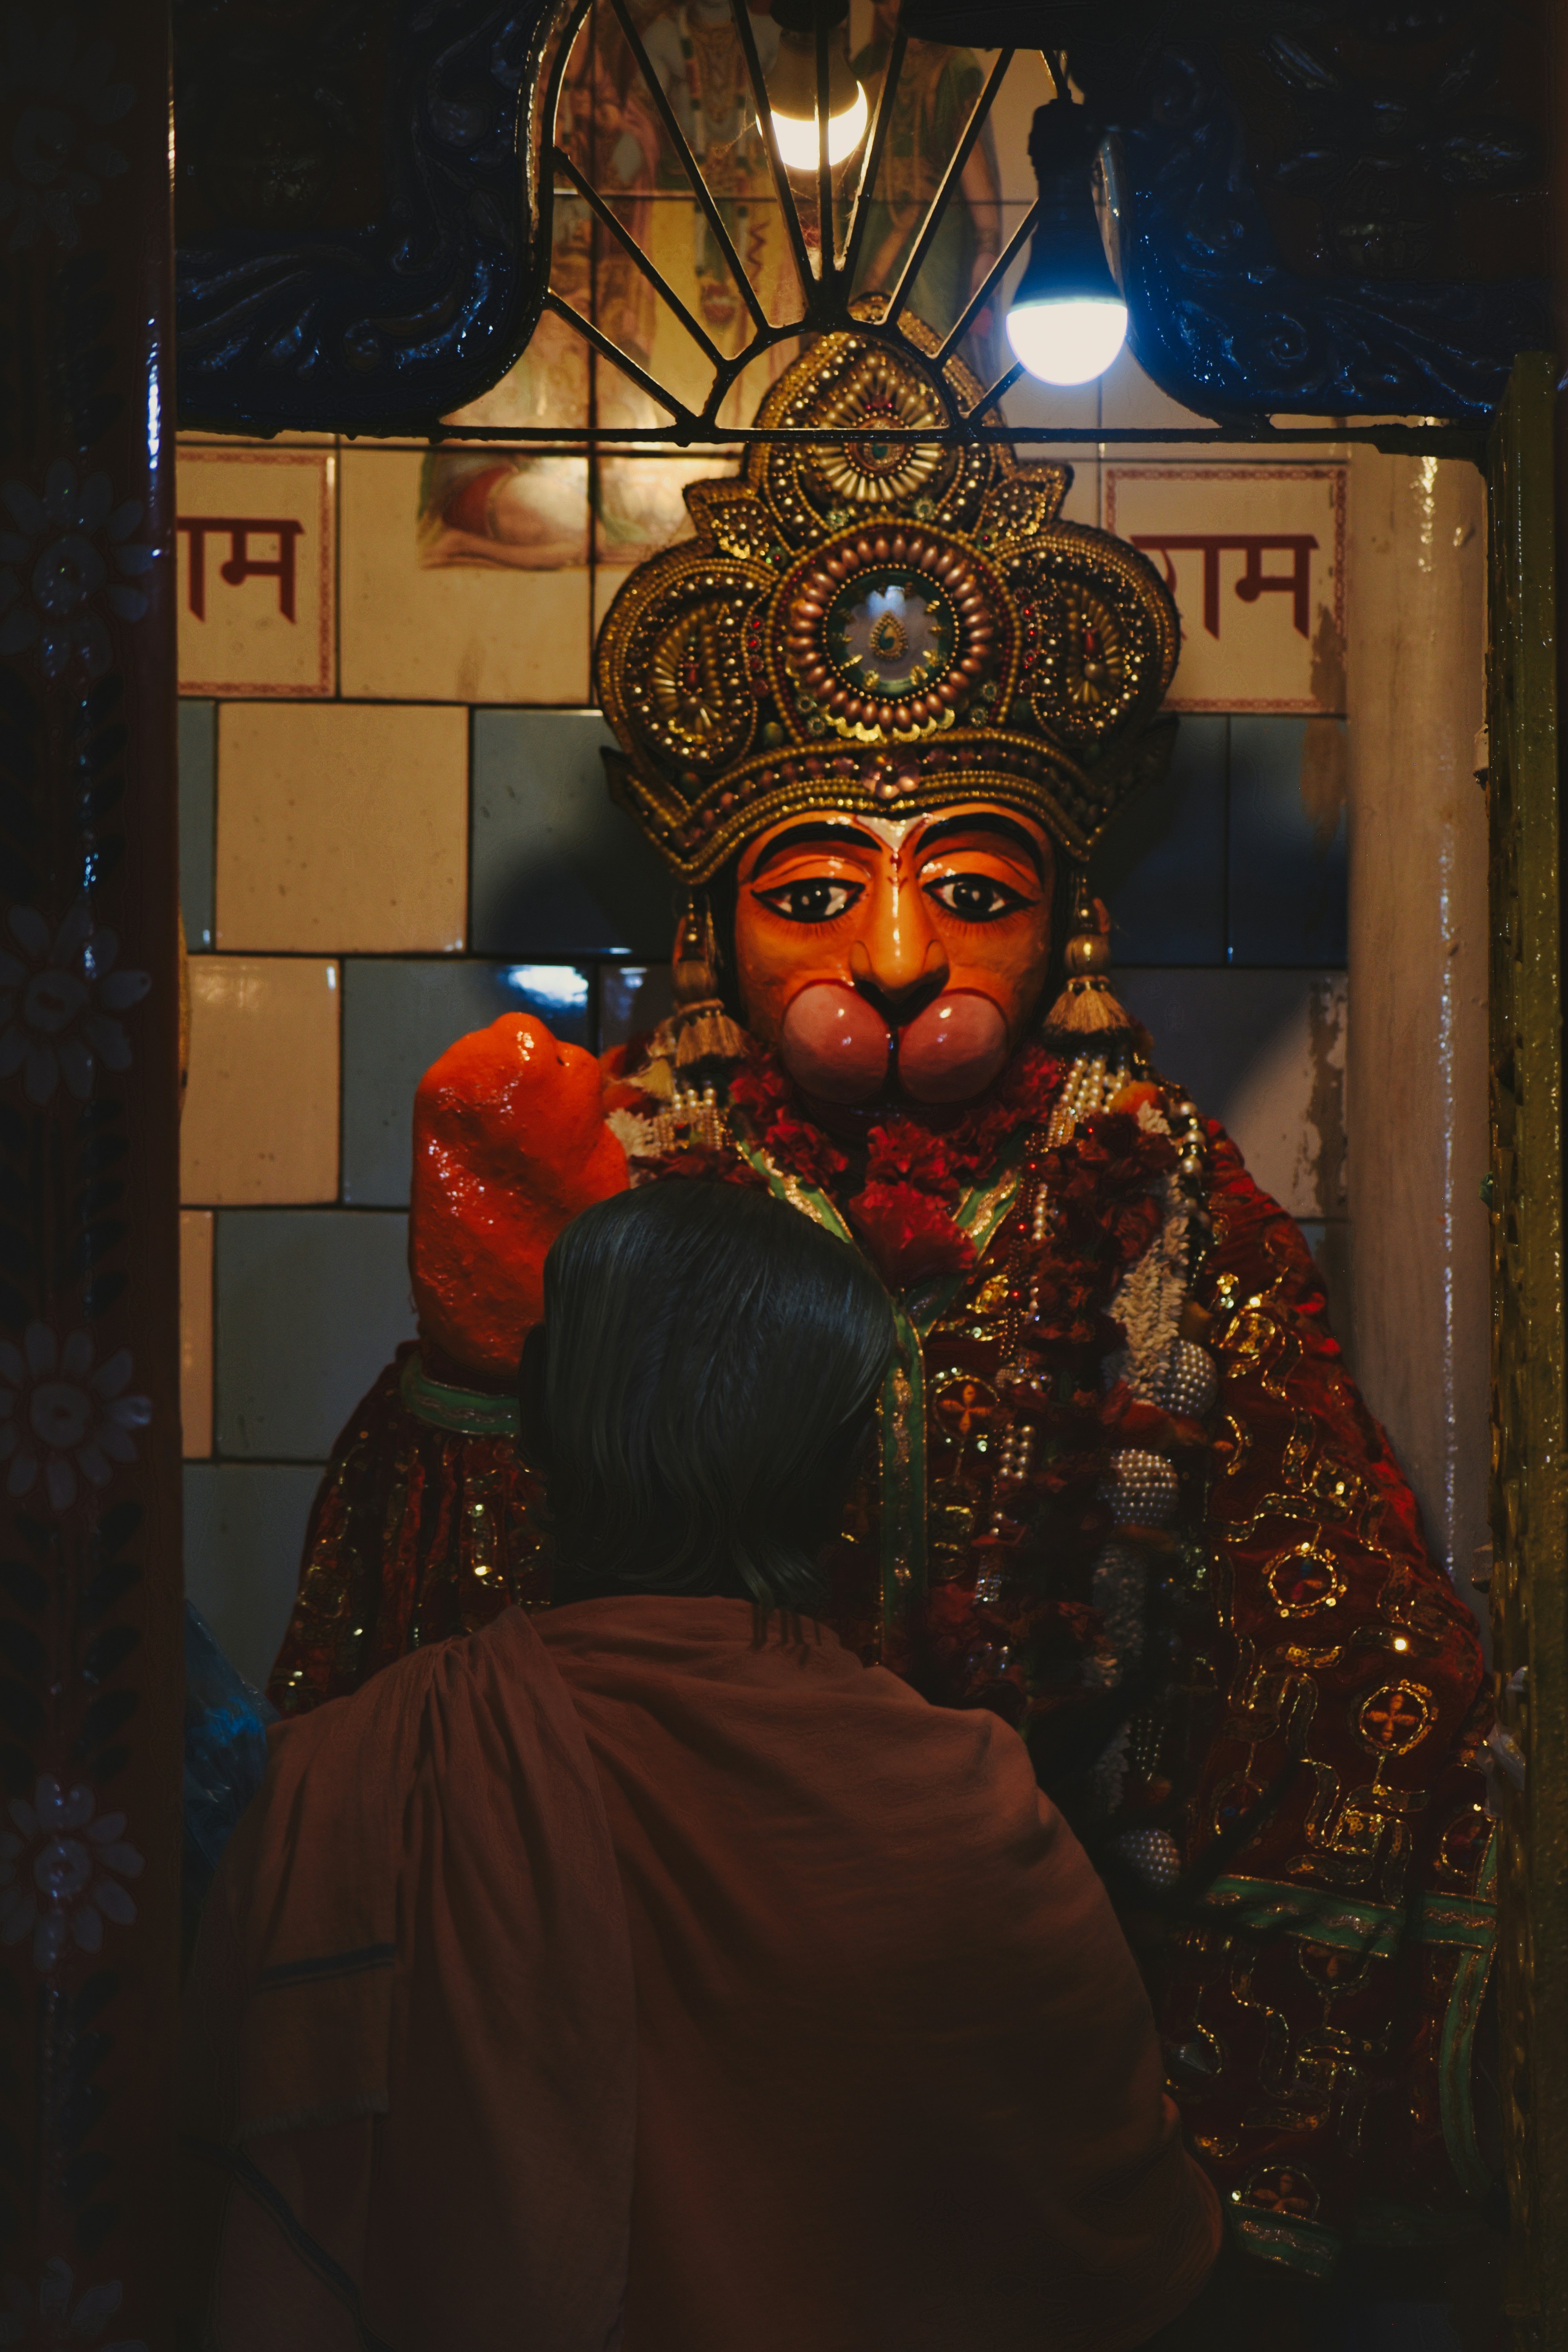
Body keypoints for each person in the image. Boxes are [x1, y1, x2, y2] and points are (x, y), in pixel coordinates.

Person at [267, 327, 1496, 2291]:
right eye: (820, 894)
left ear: (1069, 923)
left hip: (1060, 1969)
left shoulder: (1157, 1184)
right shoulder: (627, 1168)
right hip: (654, 1949)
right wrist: (478, 1380)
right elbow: (418, 1688)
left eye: (977, 893)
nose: (908, 957)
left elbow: (1331, 1614)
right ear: (712, 930)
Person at [180, 1179, 1221, 2352]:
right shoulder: (970, 1813)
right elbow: (1126, 2249)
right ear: (844, 1477)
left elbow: (201, 2194)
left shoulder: (352, 1782)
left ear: (532, 1424)